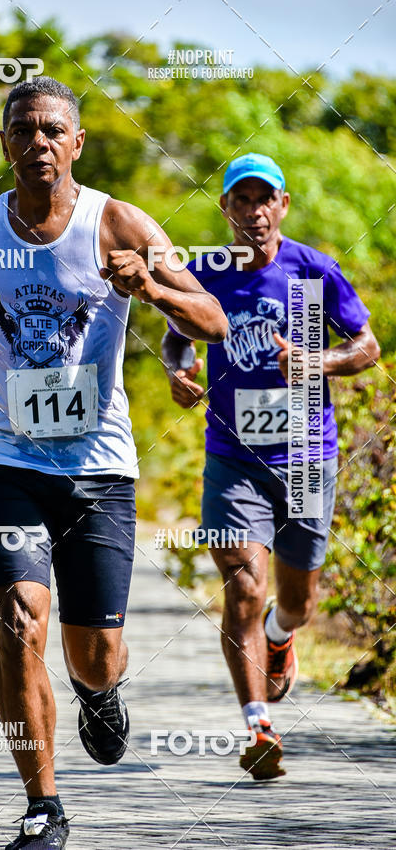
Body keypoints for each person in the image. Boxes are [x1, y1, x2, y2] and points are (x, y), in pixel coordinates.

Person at [0, 76, 227, 848]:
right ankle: (43, 807)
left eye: (54, 131)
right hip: (8, 460)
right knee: (18, 621)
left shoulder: (117, 221)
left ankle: (100, 692)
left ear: (77, 143)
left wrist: (152, 283)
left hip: (100, 468)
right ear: (5, 143)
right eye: (23, 131)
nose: (39, 144)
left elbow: (214, 320)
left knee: (93, 657)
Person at [162, 152, 380, 781]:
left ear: (282, 205)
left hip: (309, 454)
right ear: (225, 209)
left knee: (298, 602)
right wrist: (180, 367)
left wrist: (319, 364)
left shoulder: (313, 271)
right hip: (234, 457)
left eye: (265, 199)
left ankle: (282, 638)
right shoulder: (206, 272)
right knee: (243, 588)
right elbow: (180, 331)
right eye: (241, 200)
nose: (254, 212)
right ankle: (258, 725)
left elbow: (366, 345)